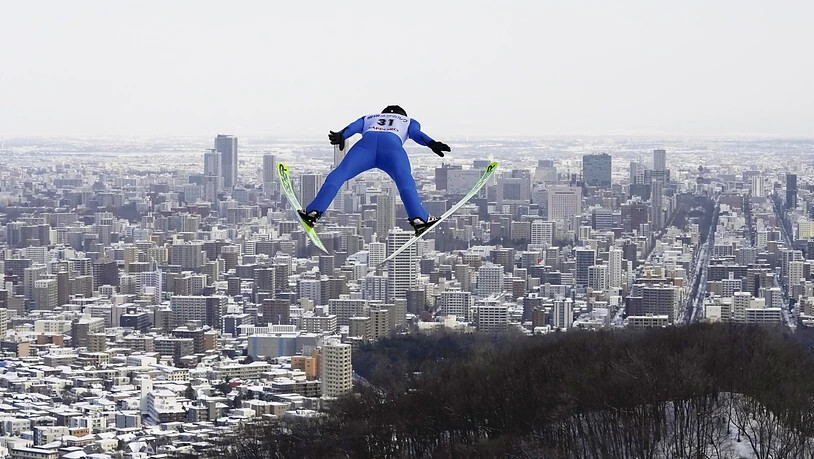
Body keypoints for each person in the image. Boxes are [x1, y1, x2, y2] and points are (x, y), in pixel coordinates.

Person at [299, 105, 451, 235]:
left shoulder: (369, 117)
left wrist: (342, 135)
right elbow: (417, 134)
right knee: (405, 181)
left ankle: (313, 212)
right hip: (391, 149)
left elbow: (352, 127)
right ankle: (419, 219)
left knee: (339, 174)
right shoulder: (408, 121)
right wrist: (432, 143)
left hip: (365, 147)